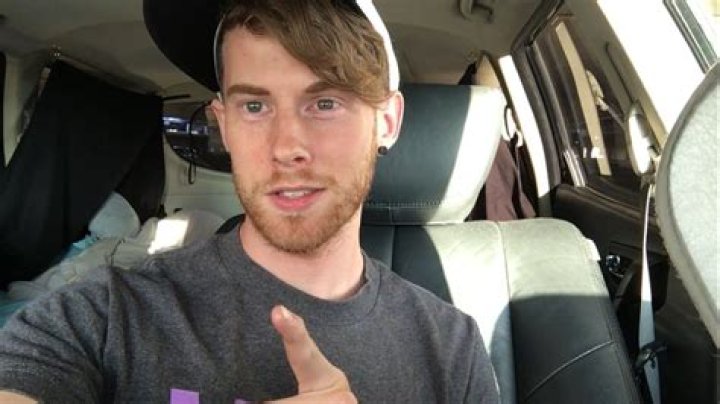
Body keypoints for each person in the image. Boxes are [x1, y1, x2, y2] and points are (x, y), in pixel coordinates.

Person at [0, 0, 500, 402]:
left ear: (386, 122)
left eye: (325, 102)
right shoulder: (105, 316)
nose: (286, 147)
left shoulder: (450, 347)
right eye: (255, 106)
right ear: (223, 124)